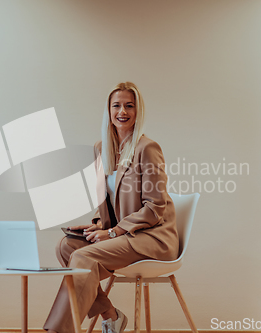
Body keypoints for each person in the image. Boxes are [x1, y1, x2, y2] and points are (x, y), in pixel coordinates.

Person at [43, 82, 179, 333]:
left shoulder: (147, 148)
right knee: (67, 247)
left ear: (138, 111)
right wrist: (97, 225)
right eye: (116, 105)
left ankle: (59, 330)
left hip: (150, 236)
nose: (122, 111)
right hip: (121, 233)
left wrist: (114, 232)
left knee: (83, 256)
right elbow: (109, 200)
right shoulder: (101, 148)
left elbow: (155, 207)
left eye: (129, 105)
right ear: (108, 110)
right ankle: (111, 316)